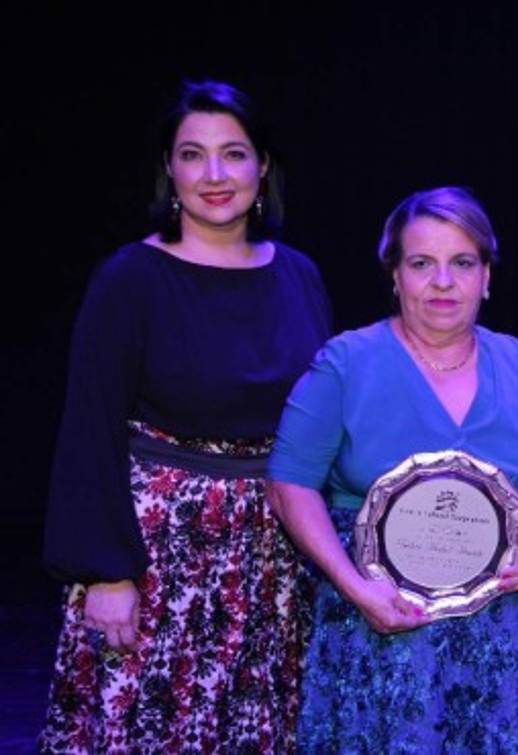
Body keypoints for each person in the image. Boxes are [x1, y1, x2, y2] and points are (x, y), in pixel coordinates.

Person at [40, 81, 331, 751]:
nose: (215, 175)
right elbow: (89, 428)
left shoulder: (299, 275)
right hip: (157, 555)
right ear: (169, 170)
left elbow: (322, 424)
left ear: (263, 167)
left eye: (233, 154)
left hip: (273, 556)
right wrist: (106, 572)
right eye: (193, 155)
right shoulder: (130, 279)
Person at [267, 186, 518, 751]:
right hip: (380, 628)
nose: (443, 282)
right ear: (395, 275)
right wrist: (355, 587)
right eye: (422, 264)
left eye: (462, 263)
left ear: (487, 275)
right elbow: (288, 487)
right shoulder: (346, 363)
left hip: (503, 637)